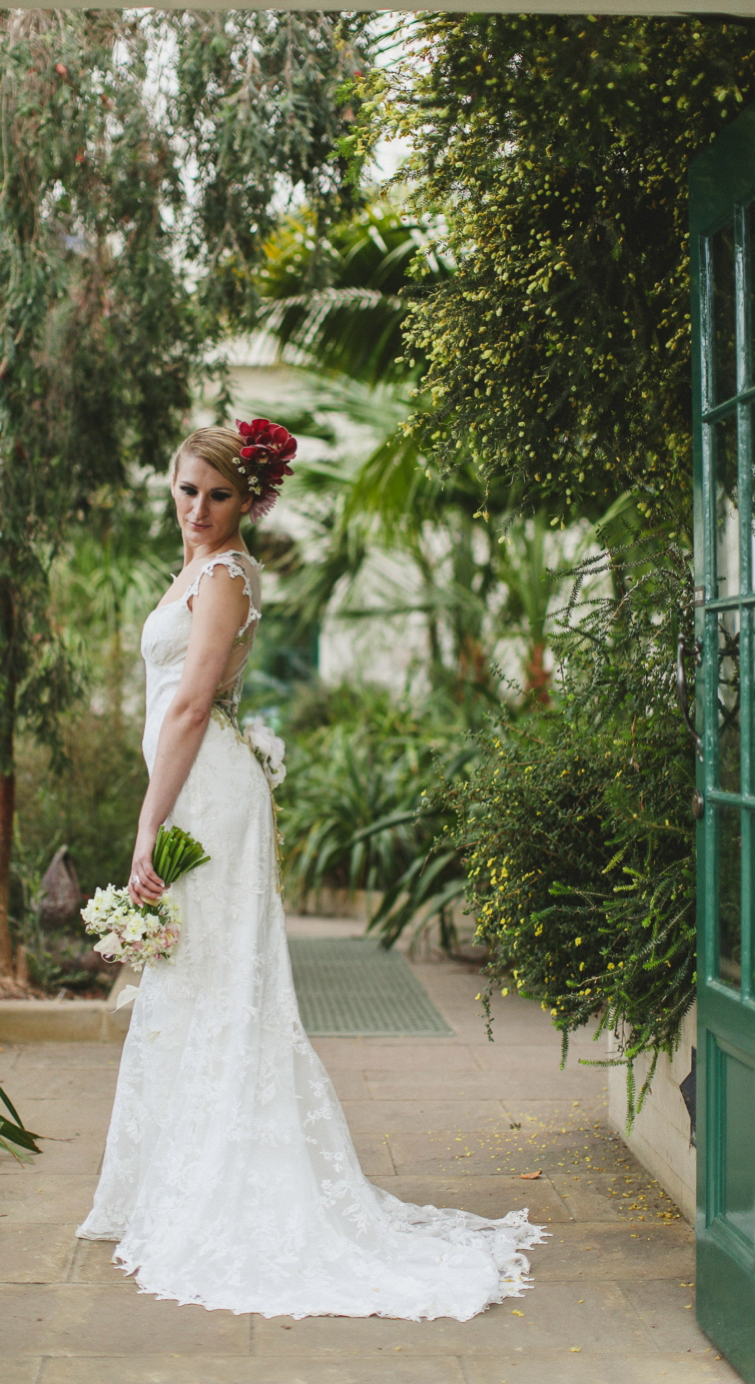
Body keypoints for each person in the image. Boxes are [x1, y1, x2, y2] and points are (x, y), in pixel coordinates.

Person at [76, 420, 546, 1320]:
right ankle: (178, 1181)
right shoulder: (194, 570)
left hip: (203, 797)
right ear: (170, 489)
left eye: (218, 495)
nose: (198, 510)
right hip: (195, 790)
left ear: (249, 498)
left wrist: (146, 824)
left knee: (217, 985)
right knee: (193, 985)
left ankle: (228, 1190)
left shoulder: (224, 576)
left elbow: (188, 706)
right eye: (186, 491)